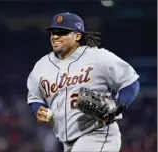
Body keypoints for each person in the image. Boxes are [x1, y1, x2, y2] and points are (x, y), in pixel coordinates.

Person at [27, 12, 140, 152]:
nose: (55, 36)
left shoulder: (98, 57)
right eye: (53, 32)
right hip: (66, 142)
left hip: (97, 134)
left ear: (77, 36)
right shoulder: (42, 65)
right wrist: (37, 109)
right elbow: (35, 97)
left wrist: (119, 105)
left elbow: (131, 82)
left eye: (62, 32)